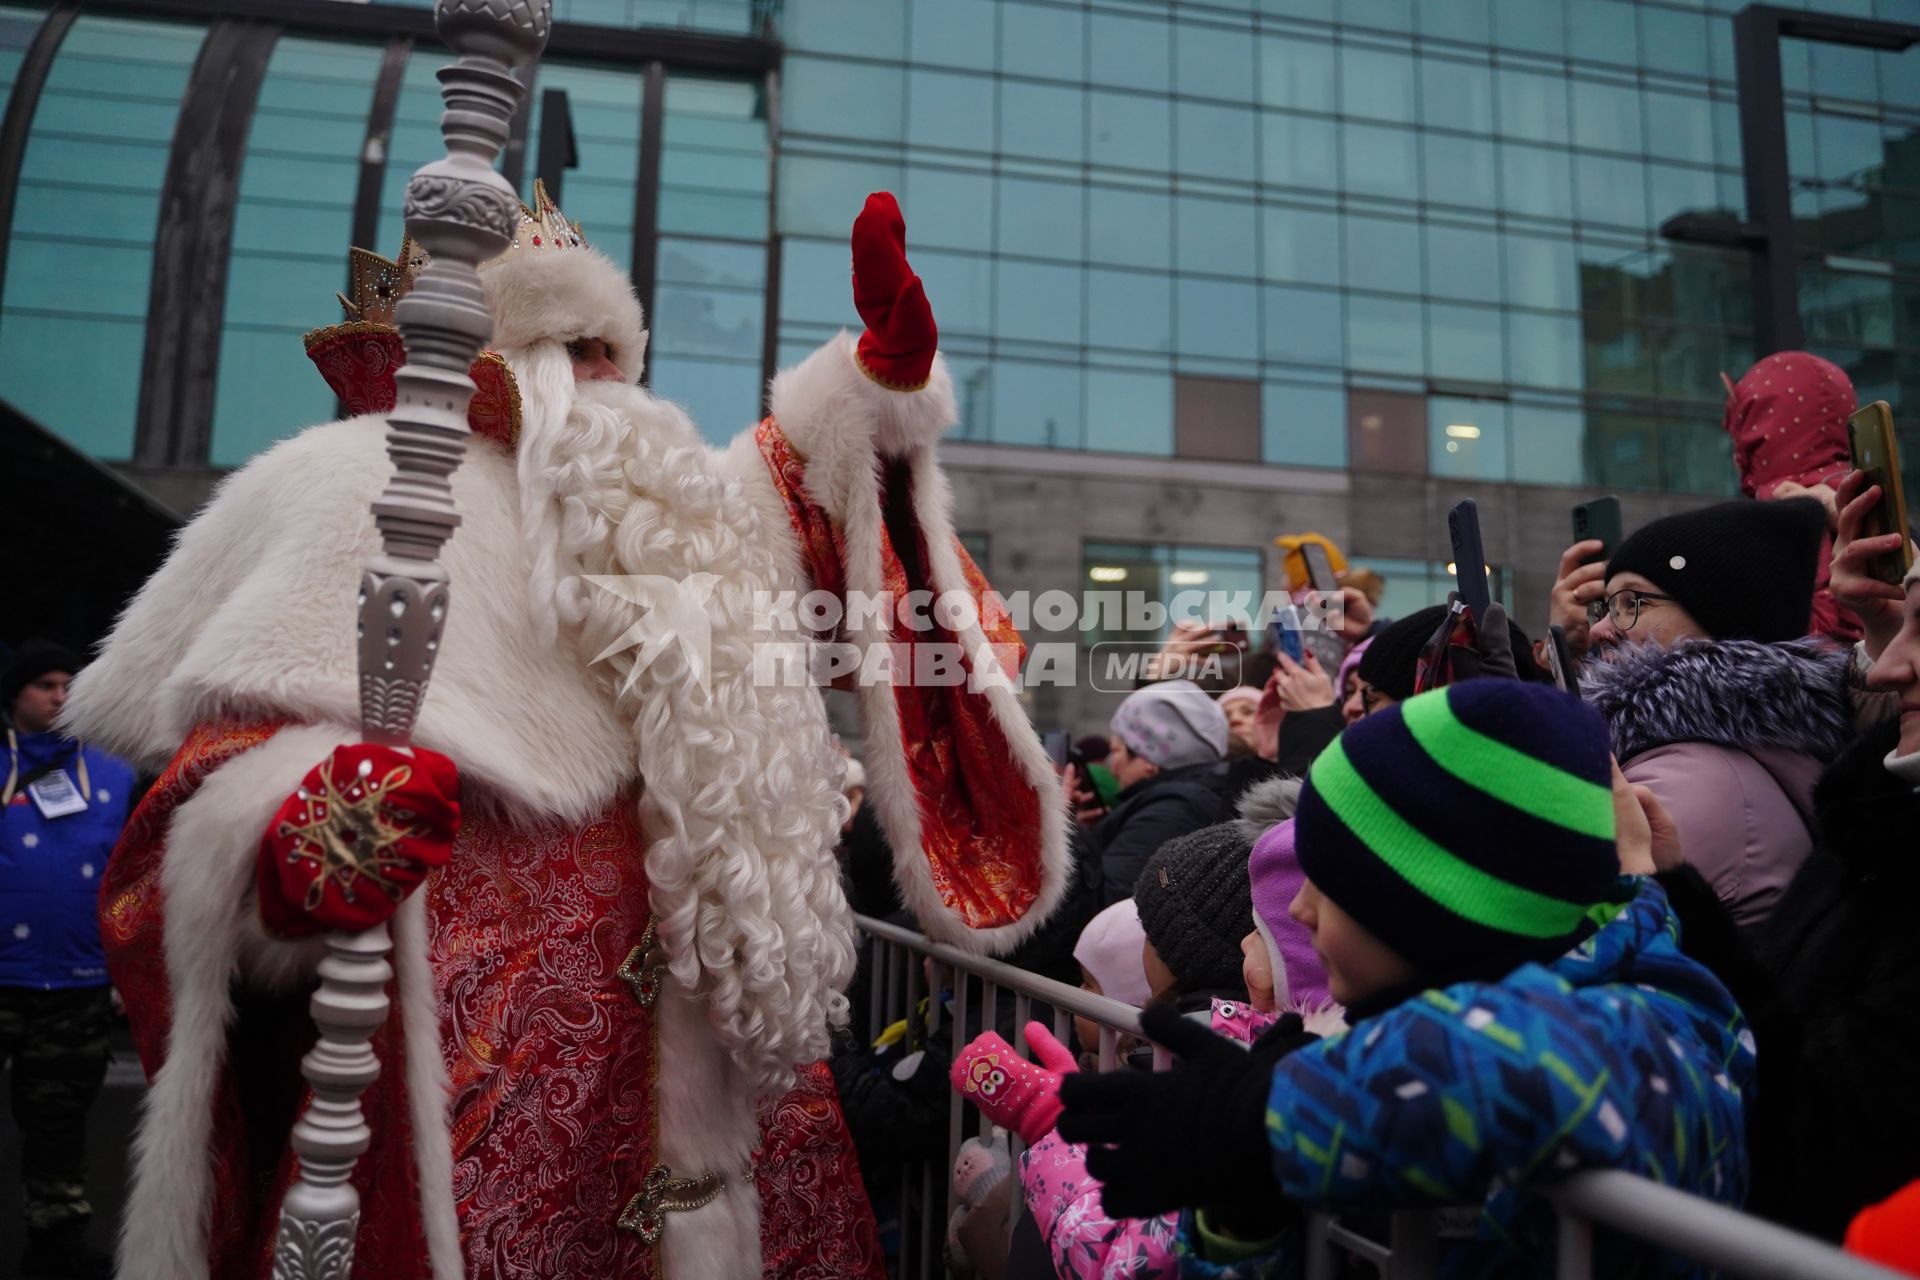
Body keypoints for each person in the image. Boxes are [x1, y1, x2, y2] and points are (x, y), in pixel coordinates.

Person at [65, 189, 1068, 1280]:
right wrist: (312, 827)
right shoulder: (363, 485)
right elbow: (211, 785)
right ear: (501, 359)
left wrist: (872, 389)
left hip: (706, 1064)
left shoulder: (659, 504)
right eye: (571, 347)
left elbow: (798, 506)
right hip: (482, 1051)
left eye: (612, 348)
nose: (607, 380)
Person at [1056, 680, 1754, 1276]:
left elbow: (1544, 1060)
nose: (1297, 909)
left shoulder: (1652, 1028)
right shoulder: (1592, 979)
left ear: (1427, 907)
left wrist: (1273, 1113)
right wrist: (1243, 1219)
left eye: (1329, 884)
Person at [1741, 473, 1920, 1241]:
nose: (1881, 668)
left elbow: (1811, 1128)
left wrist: (1658, 891)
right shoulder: (1868, 822)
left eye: (1635, 602)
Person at [1580, 498, 1855, 932]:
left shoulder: (1691, 778)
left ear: (1722, 616)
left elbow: (1569, 929)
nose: (1597, 630)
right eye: (1605, 606)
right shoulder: (1696, 751)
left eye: (1631, 602)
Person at [1, 642, 135, 1280]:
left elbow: (137, 874)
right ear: (15, 694)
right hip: (3, 972)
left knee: (59, 1126)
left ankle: (55, 1246)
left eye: (67, 683)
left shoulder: (113, 770)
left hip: (75, 980)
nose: (59, 695)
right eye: (44, 684)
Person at [1721, 351, 1864, 645]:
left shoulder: (1790, 504)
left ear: (1760, 432)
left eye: (1742, 428)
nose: (1735, 454)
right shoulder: (1858, 491)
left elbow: (1811, 635)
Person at [1090, 679, 1228, 905]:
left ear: (1149, 759)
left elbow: (1106, 902)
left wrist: (1062, 827)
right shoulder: (1185, 800)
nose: (1111, 767)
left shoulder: (1171, 812)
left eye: (1116, 751)